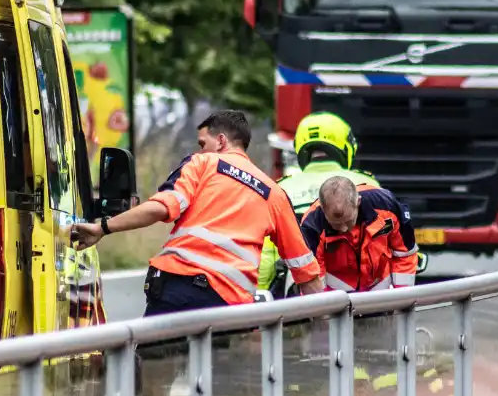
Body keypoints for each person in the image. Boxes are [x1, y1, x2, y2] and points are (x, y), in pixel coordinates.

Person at [70, 109, 325, 314]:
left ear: (222, 141)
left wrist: (102, 227)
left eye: (203, 143)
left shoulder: (203, 163)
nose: (200, 149)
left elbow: (161, 207)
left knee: (153, 376)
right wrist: (328, 329)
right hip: (232, 308)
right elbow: (305, 268)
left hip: (180, 290)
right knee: (217, 378)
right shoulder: (273, 193)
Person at [258, 111, 380, 298]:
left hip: (302, 295)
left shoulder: (280, 189)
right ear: (346, 146)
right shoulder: (367, 184)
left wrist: (260, 293)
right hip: (363, 297)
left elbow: (267, 255)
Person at [298, 176, 419, 292]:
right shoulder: (312, 227)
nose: (344, 229)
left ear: (358, 202)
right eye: (336, 224)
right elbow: (313, 277)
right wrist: (324, 309)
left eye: (348, 221)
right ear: (323, 209)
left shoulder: (386, 206)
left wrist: (402, 298)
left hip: (380, 289)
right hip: (336, 296)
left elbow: (405, 253)